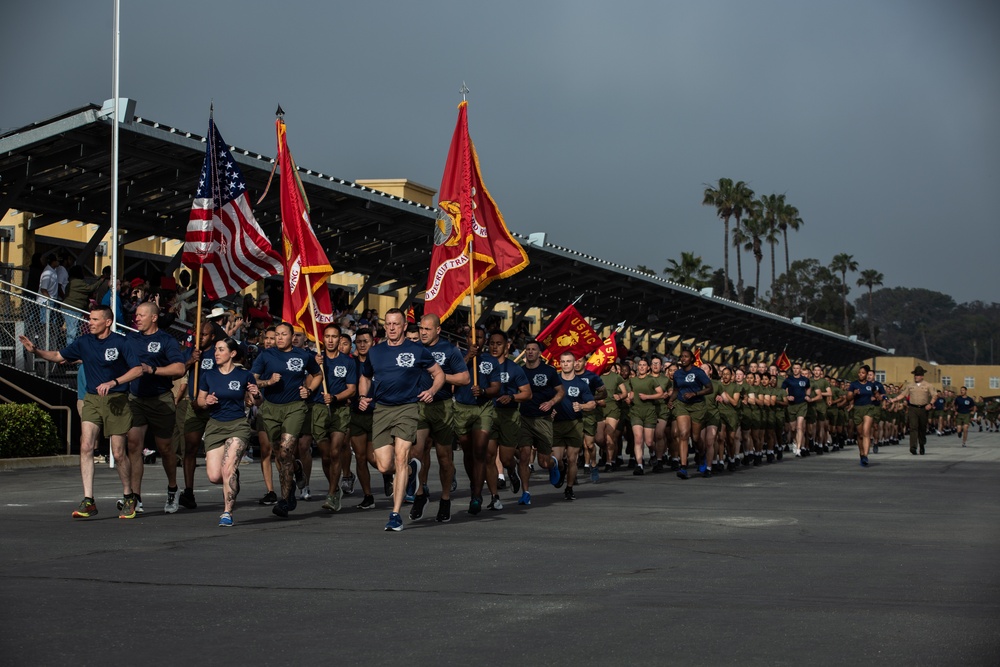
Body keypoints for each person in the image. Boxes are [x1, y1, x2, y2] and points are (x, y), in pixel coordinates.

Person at [19, 306, 143, 518]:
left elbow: (138, 369)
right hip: (92, 399)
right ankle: (89, 500)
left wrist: (114, 382)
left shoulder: (121, 342)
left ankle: (129, 496)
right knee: (86, 446)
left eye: (95, 319)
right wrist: (36, 351)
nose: (90, 323)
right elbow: (59, 355)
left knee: (119, 452)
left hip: (117, 400)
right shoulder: (84, 342)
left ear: (107, 322)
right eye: (89, 319)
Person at [358, 309, 445, 531]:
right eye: (388, 324)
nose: (392, 328)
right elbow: (365, 376)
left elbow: (439, 374)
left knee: (400, 457)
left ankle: (395, 514)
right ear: (384, 326)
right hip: (381, 410)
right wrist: (363, 397)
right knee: (384, 465)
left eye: (396, 324)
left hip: (407, 408)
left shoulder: (417, 350)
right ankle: (412, 470)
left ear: (404, 326)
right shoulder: (375, 352)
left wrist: (432, 390)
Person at [251, 322, 323, 517]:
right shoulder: (266, 355)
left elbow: (318, 374)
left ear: (293, 337)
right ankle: (297, 470)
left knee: (285, 451)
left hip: (295, 407)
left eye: (284, 334)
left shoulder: (303, 355)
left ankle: (284, 500)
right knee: (280, 454)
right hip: (271, 408)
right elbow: (252, 379)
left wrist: (308, 390)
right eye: (277, 335)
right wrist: (268, 382)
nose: (280, 338)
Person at [125, 302, 187, 513]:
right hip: (136, 398)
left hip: (160, 399)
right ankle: (135, 497)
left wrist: (152, 369)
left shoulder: (166, 340)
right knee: (134, 445)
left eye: (142, 315)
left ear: (153, 317)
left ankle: (172, 488)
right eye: (136, 315)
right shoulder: (131, 339)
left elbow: (179, 368)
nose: (137, 318)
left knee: (165, 448)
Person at [196, 338, 262, 526]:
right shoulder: (208, 375)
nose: (216, 353)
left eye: (221, 350)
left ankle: (227, 512)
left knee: (228, 468)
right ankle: (232, 477)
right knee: (215, 476)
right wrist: (206, 401)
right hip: (215, 425)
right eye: (216, 349)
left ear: (232, 354)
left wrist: (256, 394)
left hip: (237, 425)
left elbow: (257, 402)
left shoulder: (244, 375)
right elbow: (200, 401)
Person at [410, 313, 469, 523]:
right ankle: (420, 494)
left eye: (427, 329)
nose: (423, 332)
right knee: (418, 451)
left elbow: (464, 378)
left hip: (443, 406)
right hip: (419, 406)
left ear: (437, 330)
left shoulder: (449, 350)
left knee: (445, 458)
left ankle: (445, 499)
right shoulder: (414, 348)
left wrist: (441, 376)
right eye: (421, 329)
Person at [307, 323, 358, 512]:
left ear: (339, 339)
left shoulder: (348, 362)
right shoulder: (316, 360)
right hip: (319, 410)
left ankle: (331, 495)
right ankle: (335, 487)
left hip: (339, 410)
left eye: (334, 337)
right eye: (327, 336)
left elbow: (351, 389)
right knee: (326, 455)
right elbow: (308, 381)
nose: (330, 340)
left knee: (336, 451)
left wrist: (335, 397)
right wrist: (315, 367)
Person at [454, 328, 501, 513]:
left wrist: (483, 391)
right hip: (461, 408)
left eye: (479, 337)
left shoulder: (491, 361)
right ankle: (475, 484)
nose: (475, 340)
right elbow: (451, 378)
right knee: (467, 452)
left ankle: (476, 495)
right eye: (471, 337)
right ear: (466, 339)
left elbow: (496, 387)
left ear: (485, 340)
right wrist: (467, 357)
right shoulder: (457, 357)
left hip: (483, 408)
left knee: (480, 451)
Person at [516, 340, 566, 505]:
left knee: (543, 462)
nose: (530, 352)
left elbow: (561, 392)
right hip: (524, 418)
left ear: (539, 353)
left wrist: (551, 403)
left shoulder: (548, 371)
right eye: (527, 349)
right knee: (524, 456)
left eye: (533, 349)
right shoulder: (520, 371)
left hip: (543, 419)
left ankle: (554, 464)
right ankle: (526, 493)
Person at [487, 330, 532, 503]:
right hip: (488, 414)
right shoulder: (482, 365)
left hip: (509, 415)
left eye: (499, 344)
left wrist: (512, 397)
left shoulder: (514, 368)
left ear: (506, 346)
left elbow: (527, 394)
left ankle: (512, 471)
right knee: (489, 457)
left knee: (506, 459)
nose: (494, 347)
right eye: (492, 343)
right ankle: (494, 497)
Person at [552, 352, 596, 500]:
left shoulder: (581, 384)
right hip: (556, 424)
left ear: (574, 363)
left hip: (575, 425)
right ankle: (561, 469)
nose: (565, 364)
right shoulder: (554, 381)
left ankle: (569, 488)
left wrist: (582, 406)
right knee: (556, 459)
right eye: (563, 361)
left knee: (572, 458)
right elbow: (544, 398)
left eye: (568, 361)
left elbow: (592, 403)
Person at [671, 348, 713, 479]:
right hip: (682, 404)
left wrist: (695, 393)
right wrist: (670, 400)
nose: (683, 359)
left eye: (686, 356)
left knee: (695, 438)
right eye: (681, 356)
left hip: (697, 406)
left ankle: (702, 455)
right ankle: (683, 467)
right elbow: (676, 390)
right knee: (683, 434)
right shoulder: (677, 374)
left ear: (692, 359)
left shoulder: (698, 372)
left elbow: (710, 388)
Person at [848, 365, 878, 466]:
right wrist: (854, 394)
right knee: (860, 435)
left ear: (866, 375)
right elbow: (848, 397)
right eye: (859, 372)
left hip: (868, 409)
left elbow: (876, 393)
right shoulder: (853, 384)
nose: (860, 374)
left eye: (863, 373)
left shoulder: (871, 384)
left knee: (866, 432)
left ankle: (865, 455)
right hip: (857, 409)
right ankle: (861, 453)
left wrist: (878, 397)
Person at [782, 363, 811, 457]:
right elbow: (783, 389)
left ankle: (798, 449)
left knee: (799, 427)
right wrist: (787, 396)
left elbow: (808, 388)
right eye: (794, 368)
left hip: (802, 404)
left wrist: (807, 395)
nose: (795, 370)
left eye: (797, 368)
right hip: (791, 405)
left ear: (800, 370)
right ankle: (795, 440)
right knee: (793, 428)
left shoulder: (805, 380)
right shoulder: (788, 380)